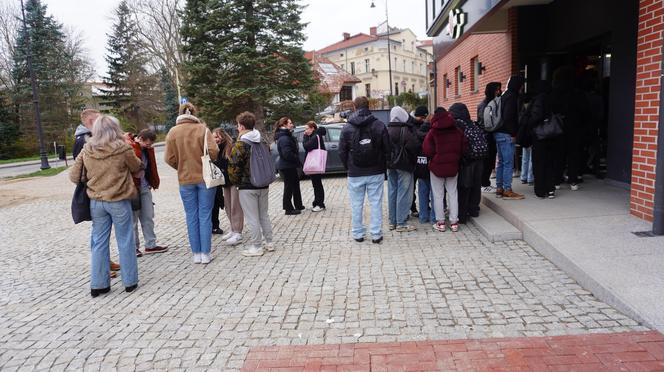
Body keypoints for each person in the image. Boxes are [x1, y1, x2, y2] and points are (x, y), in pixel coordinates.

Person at [69, 115, 142, 297]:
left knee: (99, 243)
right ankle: (130, 281)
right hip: (119, 200)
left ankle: (99, 285)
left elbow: (73, 176)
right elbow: (136, 166)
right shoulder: (123, 148)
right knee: (125, 240)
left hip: (97, 202)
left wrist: (91, 177)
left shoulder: (87, 149)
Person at [165, 103, 218, 264]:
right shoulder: (202, 129)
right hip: (205, 177)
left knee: (191, 216)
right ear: (194, 113)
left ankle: (196, 253)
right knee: (205, 215)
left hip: (185, 179)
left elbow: (168, 158)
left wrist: (180, 166)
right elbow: (214, 151)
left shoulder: (172, 132)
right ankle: (206, 253)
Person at [73, 108, 121, 276]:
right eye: (99, 120)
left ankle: (105, 261)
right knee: (98, 232)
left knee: (101, 231)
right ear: (91, 121)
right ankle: (101, 268)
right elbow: (80, 170)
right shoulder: (83, 140)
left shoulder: (89, 136)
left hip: (96, 189)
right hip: (92, 190)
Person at [339, 96, 390, 244]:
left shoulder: (347, 127)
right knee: (376, 203)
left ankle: (358, 234)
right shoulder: (379, 125)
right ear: (369, 106)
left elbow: (342, 151)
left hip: (355, 172)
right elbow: (387, 148)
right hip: (376, 171)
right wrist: (383, 166)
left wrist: (348, 167)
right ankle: (376, 234)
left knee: (356, 204)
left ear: (354, 107)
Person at [228, 112, 274, 257]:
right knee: (264, 215)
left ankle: (256, 246)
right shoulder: (262, 141)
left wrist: (235, 182)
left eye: (237, 125)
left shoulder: (240, 144)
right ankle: (269, 242)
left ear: (241, 126)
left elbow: (234, 166)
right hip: (263, 183)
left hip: (247, 186)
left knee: (252, 217)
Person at [423, 108, 466, 232]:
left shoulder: (433, 132)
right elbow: (464, 147)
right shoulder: (457, 130)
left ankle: (441, 223)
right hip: (453, 167)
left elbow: (427, 150)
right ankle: (454, 222)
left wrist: (435, 157)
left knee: (437, 195)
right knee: (453, 194)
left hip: (437, 167)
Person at [127, 129, 168, 256]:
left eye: (151, 144)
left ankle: (151, 244)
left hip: (145, 187)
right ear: (140, 138)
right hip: (133, 188)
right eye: (147, 144)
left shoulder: (147, 149)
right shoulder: (131, 147)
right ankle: (133, 247)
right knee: (133, 219)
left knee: (148, 216)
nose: (149, 146)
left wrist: (152, 181)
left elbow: (151, 166)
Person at [550, 66, 590, 190]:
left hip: (559, 128)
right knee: (573, 155)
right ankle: (573, 181)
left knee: (558, 155)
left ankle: (557, 181)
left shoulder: (554, 93)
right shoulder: (578, 93)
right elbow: (585, 112)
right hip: (575, 128)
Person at [386, 106, 420, 232]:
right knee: (404, 193)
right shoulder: (406, 130)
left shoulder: (387, 129)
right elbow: (415, 146)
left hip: (390, 165)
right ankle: (401, 223)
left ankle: (392, 221)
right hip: (404, 165)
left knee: (392, 191)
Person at [449, 103, 484, 224]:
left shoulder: (458, 125)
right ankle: (474, 209)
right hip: (479, 158)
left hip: (466, 160)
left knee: (464, 186)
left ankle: (463, 213)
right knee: (476, 185)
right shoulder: (473, 124)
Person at [494, 76, 525, 200]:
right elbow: (508, 117)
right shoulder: (512, 97)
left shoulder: (504, 96)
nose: (523, 87)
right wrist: (513, 133)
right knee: (508, 163)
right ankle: (507, 189)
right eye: (522, 85)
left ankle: (499, 188)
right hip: (507, 134)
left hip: (499, 133)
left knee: (501, 162)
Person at [526, 81, 559, 199]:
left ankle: (540, 190)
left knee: (539, 163)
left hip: (540, 136)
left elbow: (536, 116)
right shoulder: (553, 98)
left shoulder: (538, 99)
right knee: (550, 162)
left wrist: (529, 125)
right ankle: (551, 189)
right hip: (552, 134)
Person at [212, 128, 244, 245]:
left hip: (233, 181)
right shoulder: (216, 149)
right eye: (214, 137)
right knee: (228, 206)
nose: (215, 139)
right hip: (224, 182)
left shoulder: (230, 147)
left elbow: (232, 164)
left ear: (223, 136)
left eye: (217, 137)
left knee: (235, 206)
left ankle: (238, 231)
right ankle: (232, 228)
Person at [274, 117, 305, 215]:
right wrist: (296, 158)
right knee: (289, 187)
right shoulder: (284, 138)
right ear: (284, 125)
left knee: (295, 185)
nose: (292, 124)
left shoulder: (286, 136)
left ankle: (298, 205)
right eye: (290, 123)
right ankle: (288, 208)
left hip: (290, 165)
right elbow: (287, 153)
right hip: (287, 166)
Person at [477, 82, 501, 193]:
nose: (498, 92)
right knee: (487, 161)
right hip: (487, 136)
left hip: (489, 136)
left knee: (490, 161)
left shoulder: (491, 102)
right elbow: (484, 123)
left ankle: (485, 182)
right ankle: (484, 184)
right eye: (497, 90)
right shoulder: (485, 104)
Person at [413, 111, 436, 224]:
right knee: (435, 194)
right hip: (432, 166)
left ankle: (423, 217)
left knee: (422, 193)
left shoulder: (418, 132)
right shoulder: (435, 133)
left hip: (420, 165)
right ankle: (433, 218)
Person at [302, 121, 327, 212]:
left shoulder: (315, 136)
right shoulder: (314, 135)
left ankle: (320, 204)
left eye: (307, 129)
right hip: (314, 164)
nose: (305, 131)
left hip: (315, 164)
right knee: (316, 184)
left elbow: (307, 146)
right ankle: (317, 202)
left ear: (313, 128)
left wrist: (305, 137)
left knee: (317, 184)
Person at [410, 105, 429, 217]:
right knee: (415, 187)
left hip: (419, 160)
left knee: (421, 186)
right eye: (422, 117)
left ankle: (420, 208)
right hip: (417, 161)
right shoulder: (412, 126)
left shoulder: (412, 125)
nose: (422, 119)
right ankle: (414, 207)